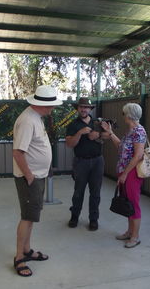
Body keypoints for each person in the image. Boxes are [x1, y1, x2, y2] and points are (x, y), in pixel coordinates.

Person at [12, 85, 62, 277]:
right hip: (30, 178)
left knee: (31, 216)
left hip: (36, 176)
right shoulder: (27, 120)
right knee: (27, 217)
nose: (53, 109)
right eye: (51, 106)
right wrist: (30, 176)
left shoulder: (35, 117)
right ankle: (19, 258)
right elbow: (17, 153)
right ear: (42, 105)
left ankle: (27, 250)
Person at [101, 103, 146, 248]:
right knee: (127, 203)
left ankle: (135, 236)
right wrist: (110, 132)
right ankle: (129, 232)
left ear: (129, 115)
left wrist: (125, 174)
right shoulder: (130, 131)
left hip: (131, 173)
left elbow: (138, 155)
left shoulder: (139, 131)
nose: (123, 116)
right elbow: (121, 147)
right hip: (124, 172)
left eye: (124, 113)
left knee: (133, 204)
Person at [65, 97, 109, 231]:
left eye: (86, 107)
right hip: (81, 162)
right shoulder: (73, 125)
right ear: (78, 109)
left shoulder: (98, 123)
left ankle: (93, 220)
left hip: (97, 161)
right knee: (78, 192)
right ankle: (74, 217)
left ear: (90, 109)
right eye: (81, 107)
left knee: (95, 192)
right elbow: (69, 144)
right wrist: (79, 133)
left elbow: (108, 135)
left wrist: (99, 135)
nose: (84, 109)